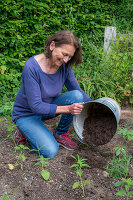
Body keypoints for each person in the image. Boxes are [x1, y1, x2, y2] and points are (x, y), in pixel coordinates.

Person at [11, 30, 92, 159]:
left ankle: (60, 133)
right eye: (64, 54)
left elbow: (79, 92)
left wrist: (97, 106)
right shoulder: (31, 67)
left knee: (76, 96)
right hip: (27, 114)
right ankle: (24, 131)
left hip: (47, 108)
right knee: (50, 151)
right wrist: (68, 109)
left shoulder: (64, 67)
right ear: (52, 46)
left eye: (70, 56)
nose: (66, 60)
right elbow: (36, 106)